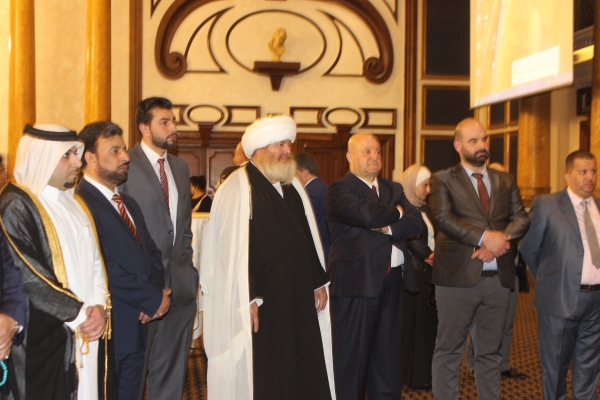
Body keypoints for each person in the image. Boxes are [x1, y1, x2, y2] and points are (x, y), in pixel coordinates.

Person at [200, 115, 335, 400]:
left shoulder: (293, 185)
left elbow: (306, 238)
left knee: (301, 363)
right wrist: (247, 297)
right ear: (259, 149)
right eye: (280, 145)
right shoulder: (237, 187)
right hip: (263, 301)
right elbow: (226, 252)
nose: (287, 150)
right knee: (268, 370)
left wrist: (317, 281)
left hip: (298, 296)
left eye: (288, 144)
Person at [0, 124, 111, 400]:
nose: (77, 162)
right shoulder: (16, 205)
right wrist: (80, 314)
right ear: (42, 157)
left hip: (87, 326)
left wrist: (99, 305)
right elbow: (29, 276)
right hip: (47, 336)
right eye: (67, 155)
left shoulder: (76, 204)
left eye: (77, 153)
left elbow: (96, 262)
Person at [429, 118, 529, 400]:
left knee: (490, 354)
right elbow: (443, 218)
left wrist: (498, 242)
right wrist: (485, 237)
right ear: (458, 145)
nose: (481, 145)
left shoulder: (505, 179)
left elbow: (521, 218)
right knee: (449, 352)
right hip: (456, 280)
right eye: (473, 141)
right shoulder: (442, 179)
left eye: (484, 139)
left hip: (498, 280)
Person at [76, 121, 169, 400]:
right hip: (110, 331)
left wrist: (154, 295)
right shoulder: (81, 204)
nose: (125, 156)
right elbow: (103, 265)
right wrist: (150, 298)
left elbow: (152, 253)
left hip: (138, 325)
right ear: (91, 158)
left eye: (124, 149)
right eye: (114, 151)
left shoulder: (127, 203)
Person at [326, 133, 422, 400]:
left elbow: (417, 222)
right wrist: (399, 212)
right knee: (352, 362)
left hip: (393, 282)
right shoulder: (339, 190)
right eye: (366, 151)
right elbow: (366, 216)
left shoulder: (394, 189)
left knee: (388, 360)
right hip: (356, 284)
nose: (374, 157)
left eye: (377, 151)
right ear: (350, 156)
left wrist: (389, 227)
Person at [117, 97, 198, 400]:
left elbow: (184, 228)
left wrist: (188, 272)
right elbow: (122, 233)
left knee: (171, 378)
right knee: (134, 378)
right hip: (143, 293)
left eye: (173, 120)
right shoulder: (126, 164)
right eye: (164, 122)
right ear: (144, 128)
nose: (173, 127)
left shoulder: (180, 167)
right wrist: (142, 287)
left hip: (180, 289)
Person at [521, 150, 600, 399]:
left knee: (589, 369)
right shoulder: (547, 205)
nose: (590, 177)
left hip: (596, 301)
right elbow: (529, 249)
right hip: (558, 300)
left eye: (593, 171)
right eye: (583, 171)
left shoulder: (599, 206)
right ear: (568, 175)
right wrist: (550, 281)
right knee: (555, 369)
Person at [465, 162, 527, 380]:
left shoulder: (514, 207)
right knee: (479, 324)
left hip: (508, 271)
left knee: (507, 321)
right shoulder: (479, 206)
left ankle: (503, 364)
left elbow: (521, 232)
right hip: (481, 273)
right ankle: (474, 363)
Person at [399, 164, 437, 389]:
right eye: (424, 185)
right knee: (414, 326)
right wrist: (430, 255)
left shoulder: (425, 208)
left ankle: (423, 374)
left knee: (426, 325)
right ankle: (412, 376)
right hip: (415, 273)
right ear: (412, 185)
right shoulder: (404, 209)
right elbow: (412, 239)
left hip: (428, 271)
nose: (428, 190)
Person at [295, 152, 330, 261]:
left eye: (294, 173)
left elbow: (307, 225)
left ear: (304, 172)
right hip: (327, 249)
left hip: (317, 252)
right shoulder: (324, 187)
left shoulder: (310, 192)